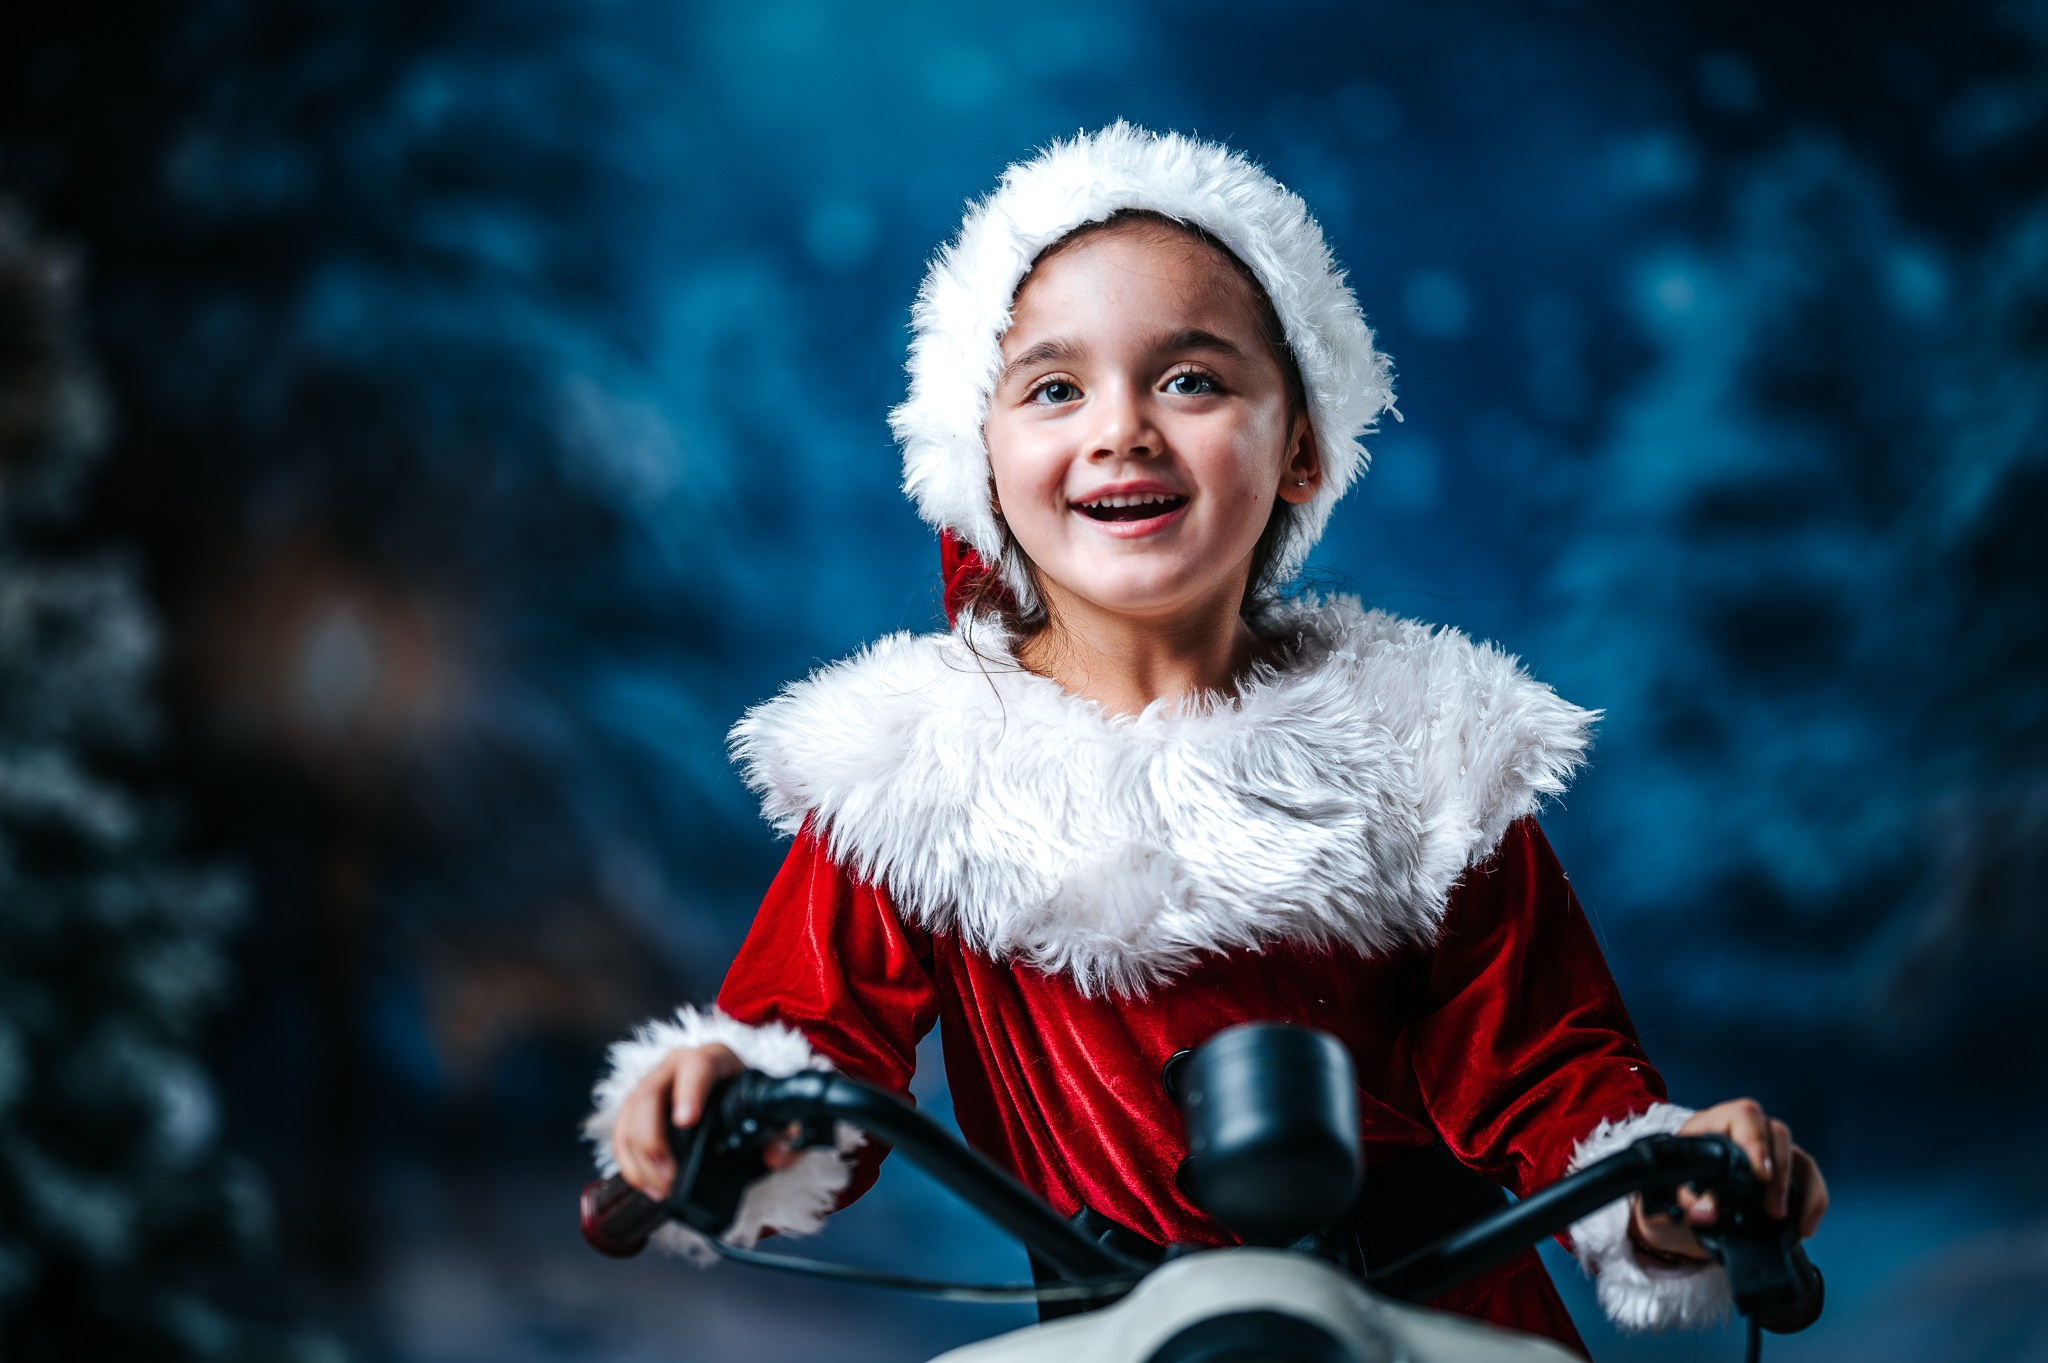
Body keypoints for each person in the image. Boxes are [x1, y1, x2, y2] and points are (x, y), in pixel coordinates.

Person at [585, 122, 1828, 1356]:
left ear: (1299, 445)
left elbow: (1553, 1075)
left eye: (1190, 378)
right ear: (980, 454)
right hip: (1116, 1337)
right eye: (1054, 387)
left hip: (1429, 1324)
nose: (1121, 428)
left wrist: (1668, 1184)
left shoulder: (1421, 750)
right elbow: (805, 1044)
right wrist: (716, 1105)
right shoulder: (913, 773)